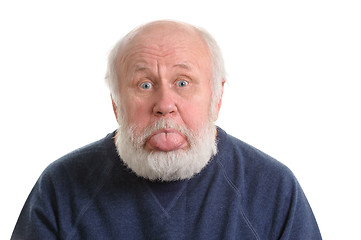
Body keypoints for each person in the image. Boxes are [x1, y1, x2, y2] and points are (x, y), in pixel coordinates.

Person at [11, 20, 322, 239]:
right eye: (145, 84)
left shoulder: (273, 188)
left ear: (217, 97)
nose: (164, 104)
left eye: (183, 83)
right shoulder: (60, 187)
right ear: (116, 104)